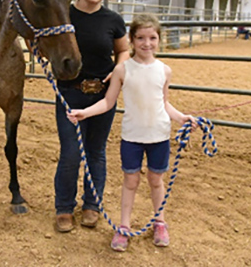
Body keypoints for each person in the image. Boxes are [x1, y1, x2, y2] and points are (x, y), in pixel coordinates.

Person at [68, 14, 197, 251]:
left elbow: (165, 103)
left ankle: (160, 221)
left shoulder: (164, 71)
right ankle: (124, 226)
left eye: (152, 38)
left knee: (156, 181)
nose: (146, 43)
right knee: (130, 181)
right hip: (132, 137)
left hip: (159, 136)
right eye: (140, 38)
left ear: (159, 39)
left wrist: (181, 117)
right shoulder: (122, 70)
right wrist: (84, 112)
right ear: (131, 40)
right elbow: (108, 102)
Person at [53, 0, 130, 233]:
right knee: (71, 153)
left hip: (103, 95)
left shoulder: (113, 20)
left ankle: (91, 204)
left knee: (96, 152)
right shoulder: (64, 14)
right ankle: (63, 206)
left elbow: (123, 50)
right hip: (70, 92)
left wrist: (120, 67)